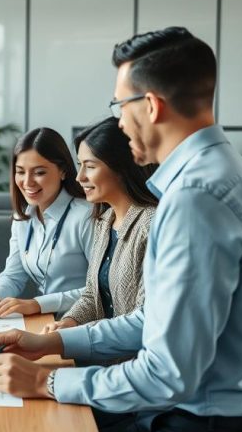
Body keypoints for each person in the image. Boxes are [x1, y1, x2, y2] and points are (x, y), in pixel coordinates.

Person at [0, 27, 242, 432]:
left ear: (152, 105)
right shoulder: (233, 173)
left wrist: (47, 379)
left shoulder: (196, 199)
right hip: (197, 420)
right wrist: (50, 341)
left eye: (120, 105)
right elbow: (151, 321)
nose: (119, 122)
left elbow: (168, 373)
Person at [40, 117, 157, 334]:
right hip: (101, 354)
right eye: (79, 165)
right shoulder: (105, 220)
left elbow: (143, 319)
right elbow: (92, 296)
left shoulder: (151, 225)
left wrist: (76, 336)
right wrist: (68, 323)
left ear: (121, 168)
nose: (79, 177)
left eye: (90, 166)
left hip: (131, 363)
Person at [0, 128, 94, 321]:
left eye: (39, 172)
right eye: (20, 172)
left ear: (63, 171)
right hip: (43, 321)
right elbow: (13, 275)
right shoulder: (23, 216)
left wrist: (37, 304)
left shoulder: (85, 216)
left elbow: (101, 289)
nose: (27, 182)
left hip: (82, 322)